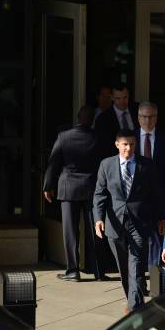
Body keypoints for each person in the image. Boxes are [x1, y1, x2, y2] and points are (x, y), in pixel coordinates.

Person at [93, 129, 165, 312]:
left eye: (132, 144)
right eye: (125, 144)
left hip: (140, 222)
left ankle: (135, 306)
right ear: (117, 144)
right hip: (115, 222)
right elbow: (100, 194)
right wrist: (98, 219)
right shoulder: (106, 165)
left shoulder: (146, 165)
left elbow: (156, 193)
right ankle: (133, 298)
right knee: (123, 267)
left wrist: (161, 217)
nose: (128, 148)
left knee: (136, 264)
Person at [43, 106, 108, 282]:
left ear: (77, 118)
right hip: (92, 188)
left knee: (70, 231)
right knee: (96, 230)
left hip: (68, 188)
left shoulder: (64, 136)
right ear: (92, 120)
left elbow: (53, 162)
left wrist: (47, 186)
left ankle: (72, 270)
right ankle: (98, 271)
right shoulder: (97, 137)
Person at [134, 101, 165, 269]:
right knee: (136, 236)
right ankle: (138, 271)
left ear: (157, 118)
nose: (148, 121)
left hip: (159, 193)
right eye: (144, 117)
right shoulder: (130, 138)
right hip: (135, 195)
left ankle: (155, 271)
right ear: (139, 118)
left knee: (157, 235)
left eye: (152, 117)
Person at [93, 84, 139, 158]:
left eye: (125, 97)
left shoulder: (138, 110)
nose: (122, 101)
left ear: (129, 96)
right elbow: (102, 146)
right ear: (112, 98)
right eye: (118, 98)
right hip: (116, 158)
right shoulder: (103, 119)